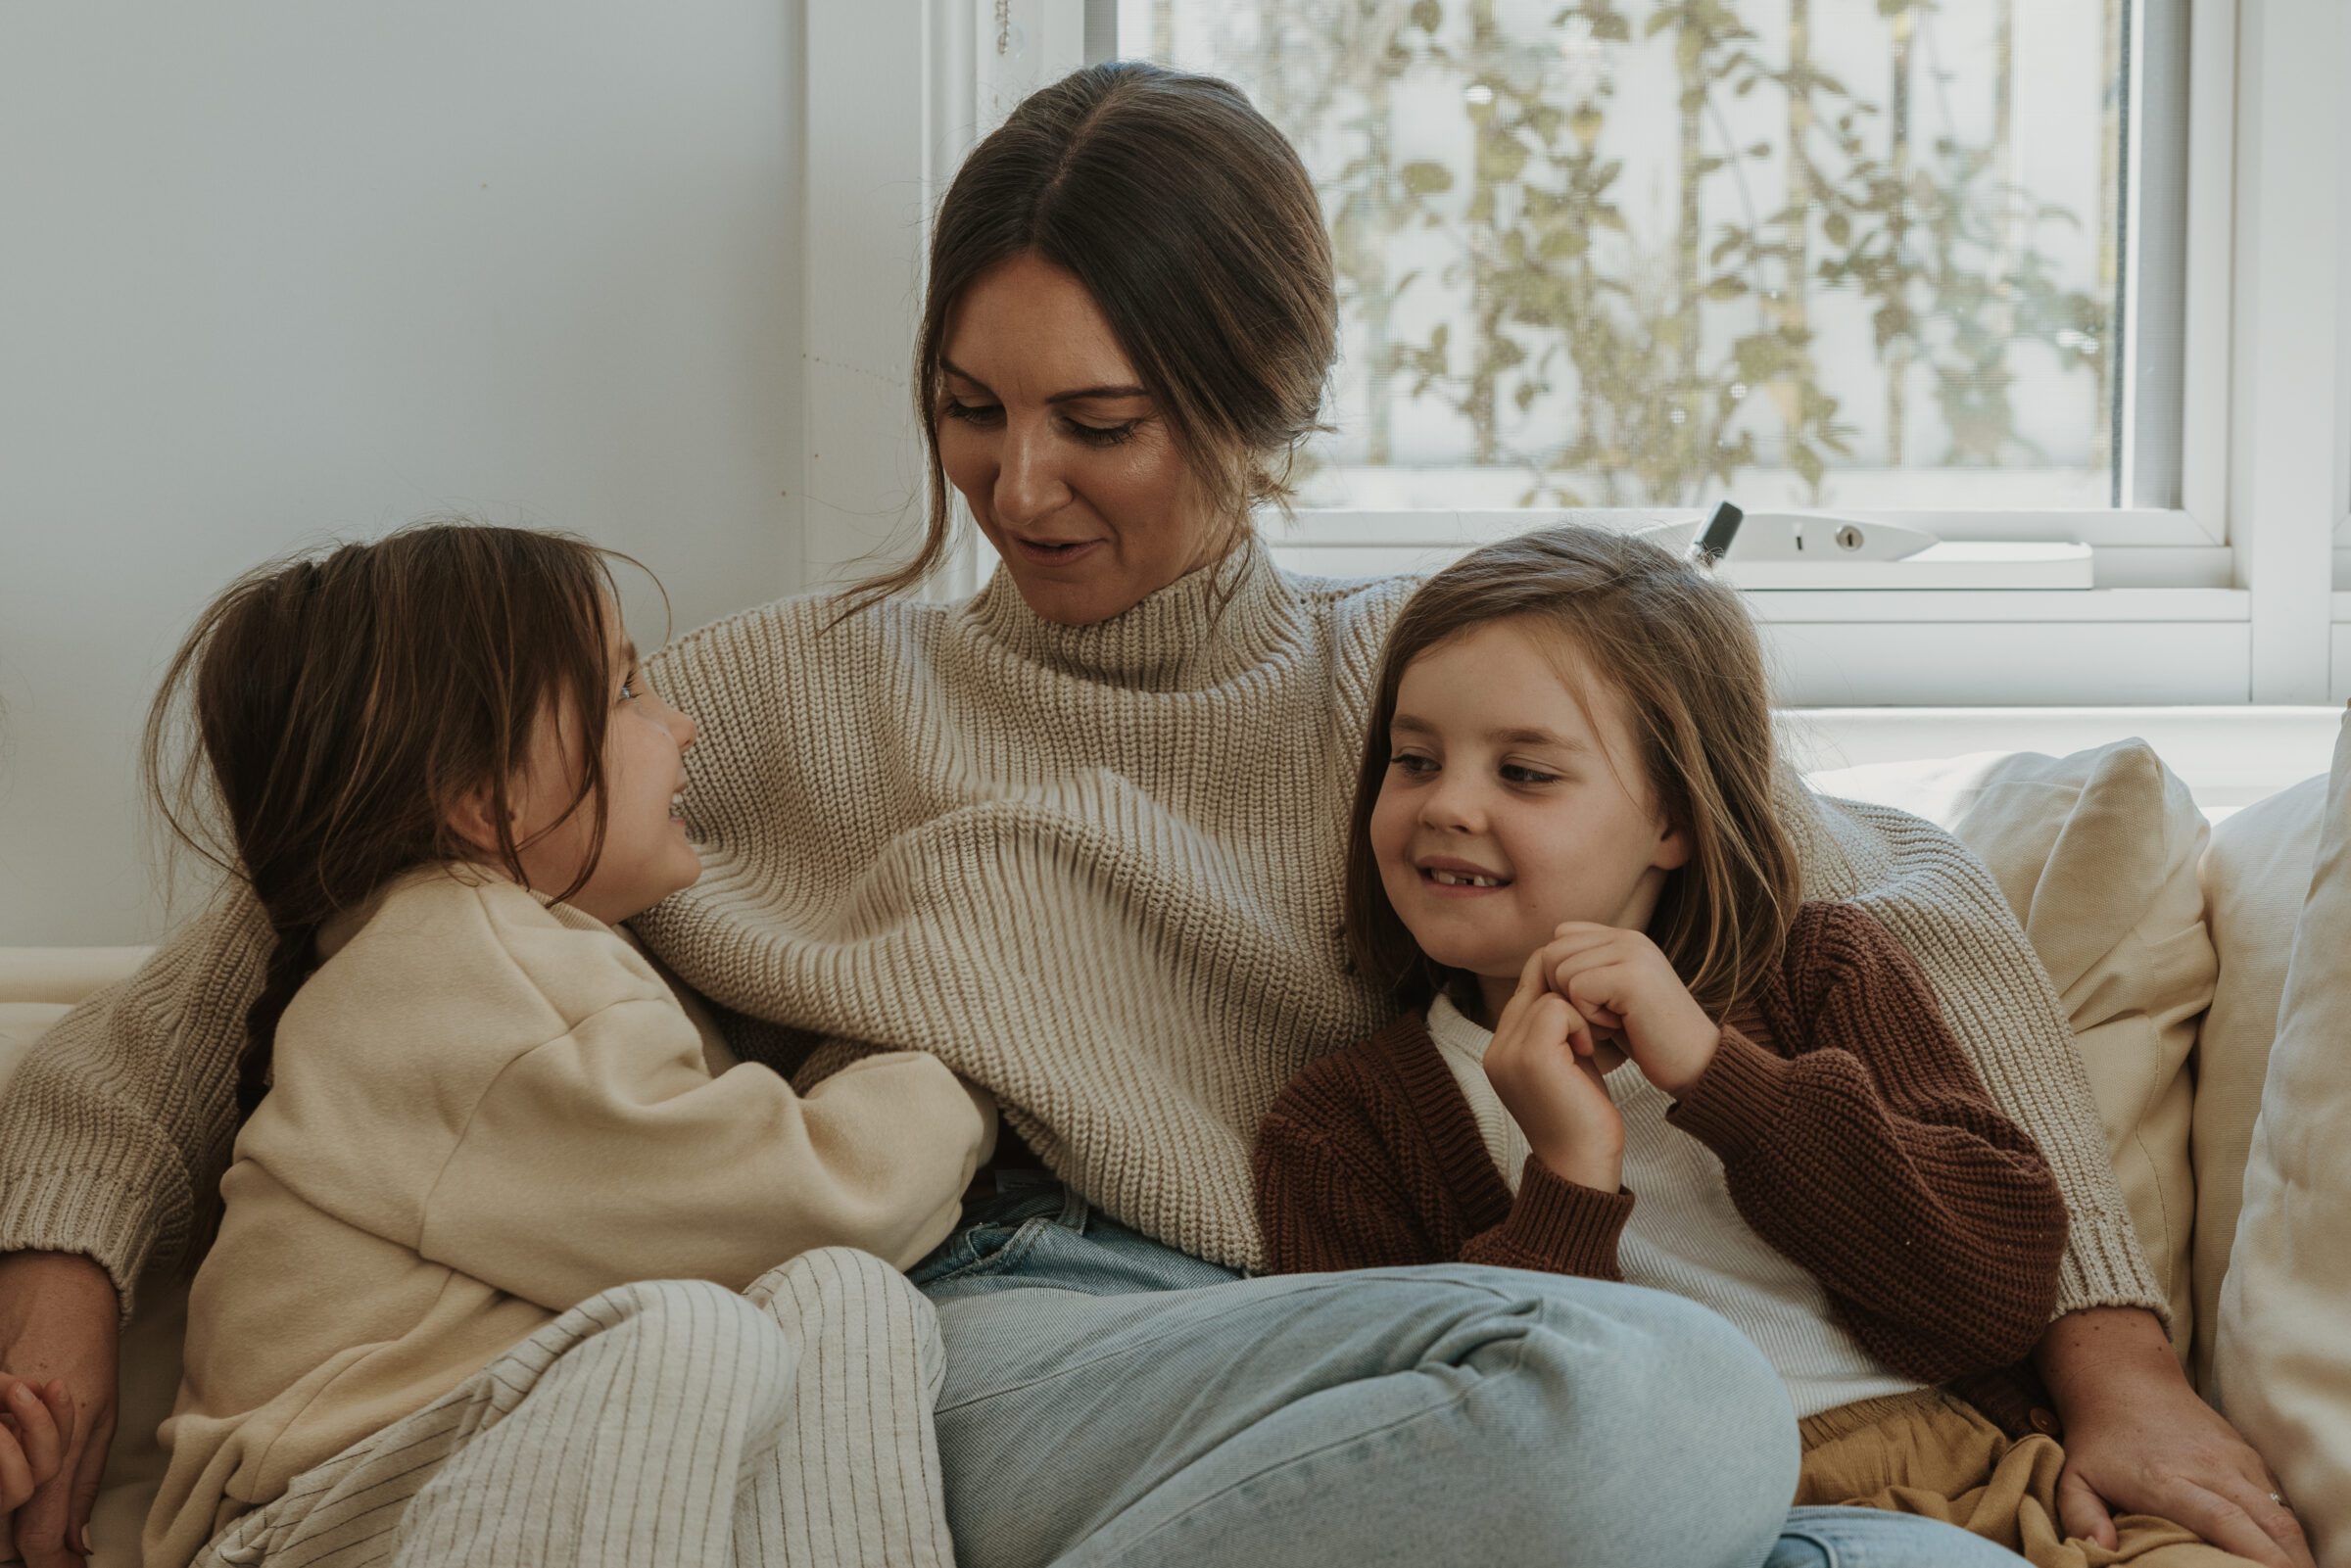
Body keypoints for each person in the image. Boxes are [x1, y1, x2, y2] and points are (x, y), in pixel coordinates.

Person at [0, 61, 2310, 1568]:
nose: (1013, 485)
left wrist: (2106, 1354)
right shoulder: (795, 689)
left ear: (1257, 398)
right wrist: (69, 1273)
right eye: (964, 409)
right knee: (1649, 1405)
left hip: (1350, 1347)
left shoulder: (1417, 697)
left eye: (1095, 419)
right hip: (979, 1339)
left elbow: (1881, 880)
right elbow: (321, 904)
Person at [1255, 525, 2269, 1567]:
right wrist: (1565, 1182)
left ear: (1675, 817)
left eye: (1524, 771)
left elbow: (1992, 1295)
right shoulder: (1343, 1129)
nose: (1446, 804)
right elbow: (1436, 1470)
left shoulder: (1820, 972)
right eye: (1413, 759)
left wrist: (1724, 1079)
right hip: (1722, 1526)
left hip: (2002, 1470)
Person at [133, 526, 992, 1566]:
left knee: (848, 1298)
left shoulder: (512, 951)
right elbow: (796, 1198)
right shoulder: (466, 958)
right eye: (628, 691)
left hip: (467, 1470)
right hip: (313, 1515)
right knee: (690, 1335)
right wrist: (957, 1074)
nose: (680, 723)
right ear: (483, 794)